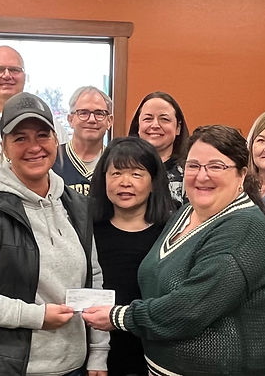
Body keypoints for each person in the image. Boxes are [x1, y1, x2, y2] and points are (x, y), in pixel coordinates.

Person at [83, 125, 265, 375]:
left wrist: (120, 317)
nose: (202, 176)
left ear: (242, 174)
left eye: (216, 166)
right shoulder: (186, 212)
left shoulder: (245, 230)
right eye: (194, 165)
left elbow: (189, 309)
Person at [0, 92, 108, 375]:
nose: (34, 147)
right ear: (4, 146)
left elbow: (94, 280)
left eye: (42, 135)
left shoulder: (76, 205)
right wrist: (36, 316)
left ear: (56, 140)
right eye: (20, 138)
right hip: (7, 367)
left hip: (73, 366)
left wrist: (99, 353)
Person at [87, 137, 177, 375]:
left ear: (154, 182)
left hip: (153, 350)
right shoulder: (86, 228)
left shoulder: (171, 231)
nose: (124, 182)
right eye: (116, 173)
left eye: (136, 174)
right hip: (97, 350)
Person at [0, 45, 69, 149]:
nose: (7, 75)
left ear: (24, 77)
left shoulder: (47, 121)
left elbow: (63, 161)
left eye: (14, 70)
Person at [127, 91, 190, 203]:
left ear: (178, 128)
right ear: (138, 125)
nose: (155, 125)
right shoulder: (121, 167)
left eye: (164, 119)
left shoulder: (190, 171)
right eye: (148, 119)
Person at [53, 86, 114, 195]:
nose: (91, 120)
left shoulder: (117, 161)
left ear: (109, 121)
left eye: (99, 113)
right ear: (70, 120)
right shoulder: (52, 159)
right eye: (83, 113)